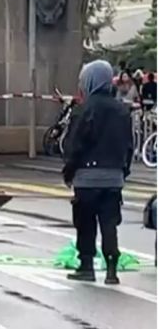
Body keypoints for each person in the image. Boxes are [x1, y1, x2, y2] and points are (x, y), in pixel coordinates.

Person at [62, 60, 133, 285]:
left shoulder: (83, 109)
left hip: (86, 177)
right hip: (113, 177)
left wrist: (69, 171)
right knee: (109, 223)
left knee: (86, 224)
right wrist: (123, 170)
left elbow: (75, 144)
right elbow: (128, 145)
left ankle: (86, 266)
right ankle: (112, 269)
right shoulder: (121, 109)